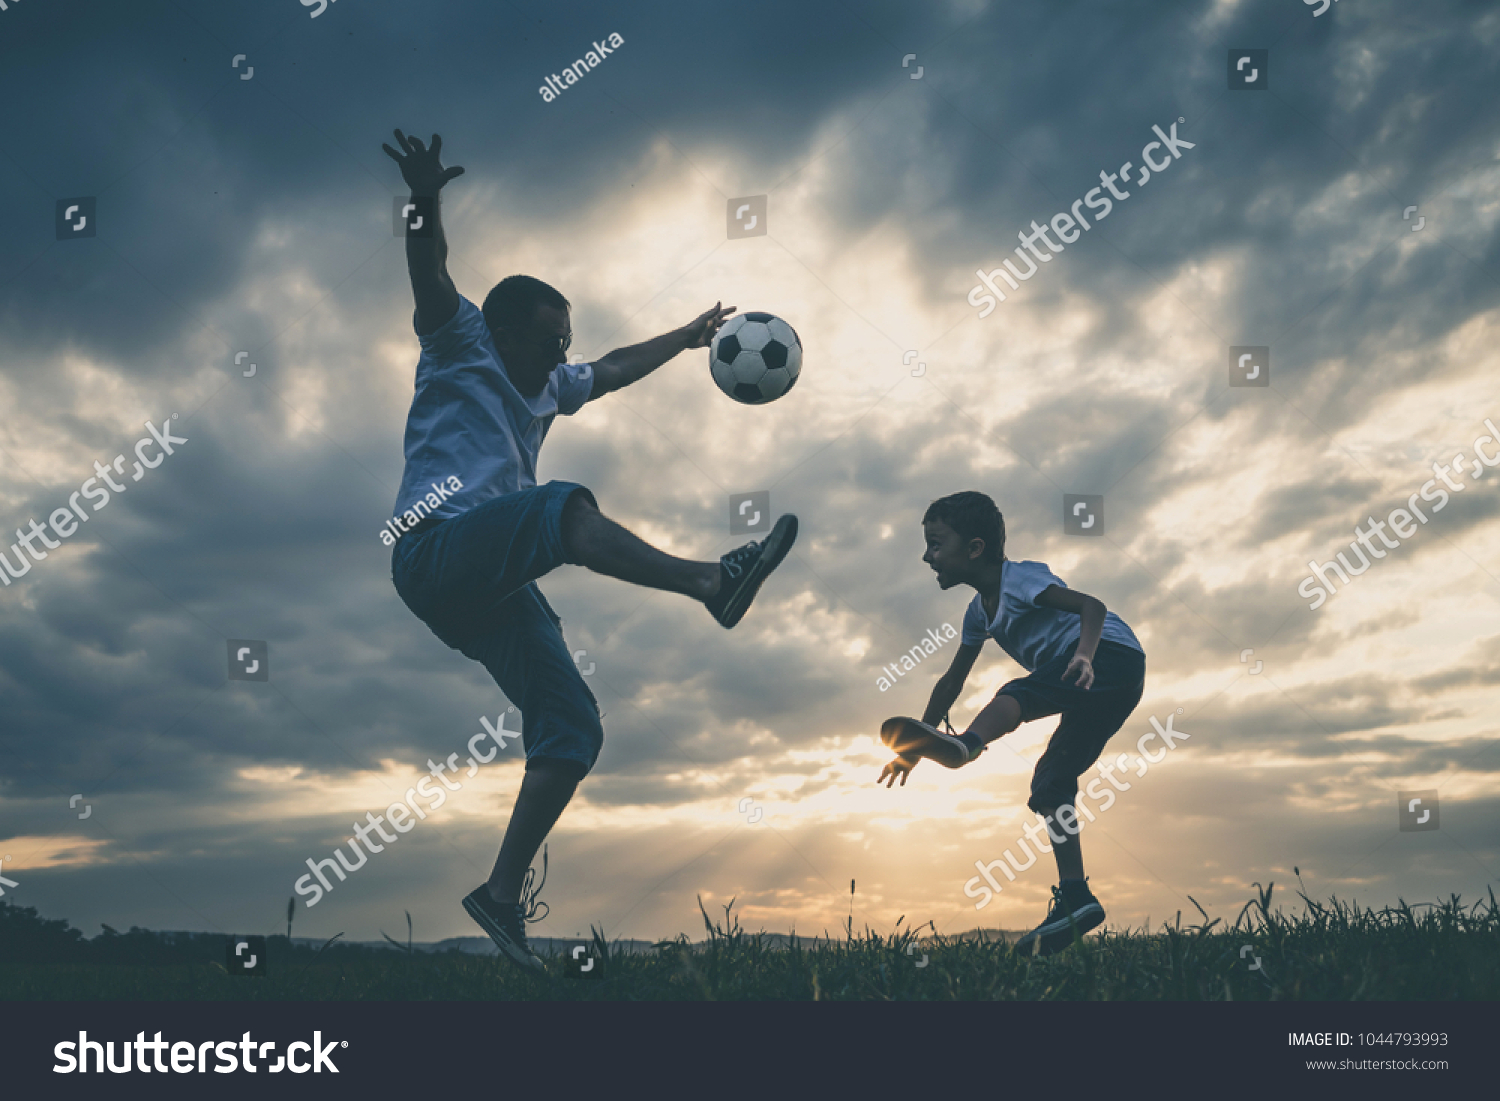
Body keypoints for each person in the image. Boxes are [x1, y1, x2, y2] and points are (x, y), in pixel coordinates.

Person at [381, 130, 798, 971]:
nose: (561, 357)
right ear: (500, 332)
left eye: (565, 342)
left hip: (487, 582)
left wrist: (685, 337)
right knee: (559, 507)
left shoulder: (552, 383)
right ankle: (713, 581)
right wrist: (423, 199)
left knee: (572, 727)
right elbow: (430, 268)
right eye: (548, 341)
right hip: (432, 550)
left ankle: (499, 898)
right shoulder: (458, 340)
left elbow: (608, 368)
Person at [877, 491, 1144, 957]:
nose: (927, 556)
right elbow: (951, 683)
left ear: (975, 548)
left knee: (1017, 694)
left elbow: (1092, 607)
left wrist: (1084, 655)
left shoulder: (1019, 581)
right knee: (1051, 782)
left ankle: (968, 746)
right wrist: (917, 742)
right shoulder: (979, 611)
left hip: (1107, 658)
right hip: (1102, 679)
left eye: (936, 544)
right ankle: (1076, 899)